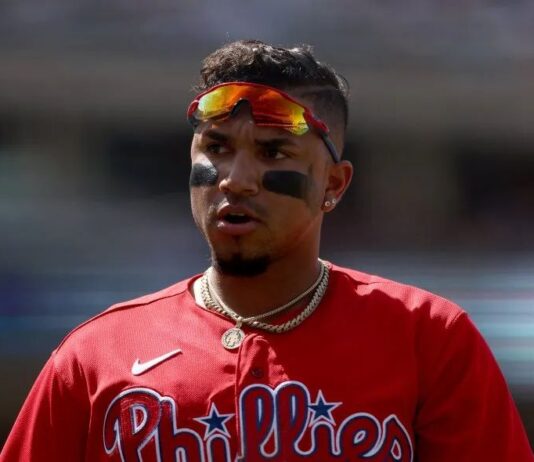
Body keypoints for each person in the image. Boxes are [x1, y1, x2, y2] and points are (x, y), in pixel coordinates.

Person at [1, 40, 532, 462]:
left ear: (334, 184)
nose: (235, 179)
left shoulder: (429, 339)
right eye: (217, 147)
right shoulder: (95, 355)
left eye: (273, 152)